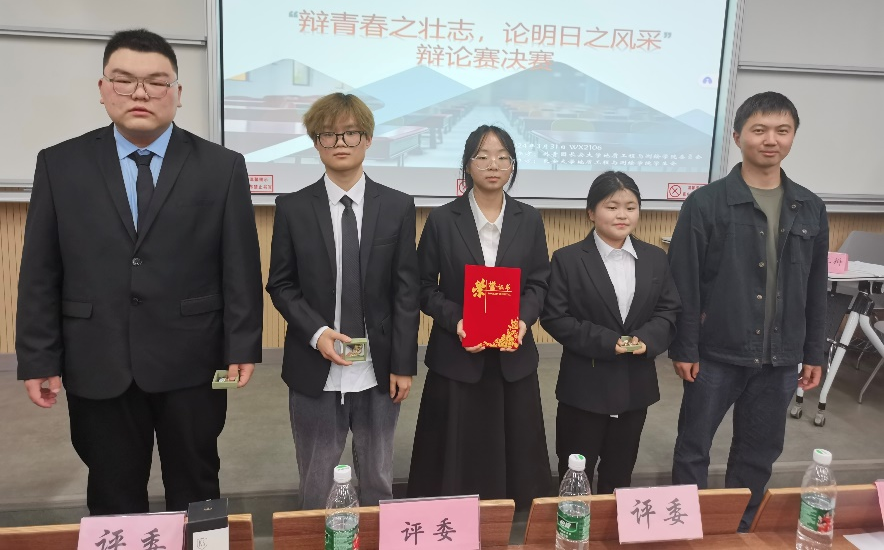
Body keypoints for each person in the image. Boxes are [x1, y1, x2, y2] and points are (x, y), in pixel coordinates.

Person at [15, 29, 263, 515]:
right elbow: (41, 270)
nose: (140, 93)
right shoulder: (60, 164)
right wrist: (39, 356)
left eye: (156, 82)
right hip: (97, 358)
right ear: (103, 88)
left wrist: (242, 344)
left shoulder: (222, 166)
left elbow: (239, 264)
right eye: (124, 80)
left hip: (194, 358)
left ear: (178, 92)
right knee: (112, 487)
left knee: (198, 480)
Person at [668, 91, 828, 531]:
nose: (770, 140)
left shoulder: (810, 207)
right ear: (738, 137)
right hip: (716, 351)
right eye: (759, 130)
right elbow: (684, 283)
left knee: (759, 453)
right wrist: (685, 347)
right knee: (694, 446)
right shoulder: (706, 203)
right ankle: (687, 529)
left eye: (782, 130)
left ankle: (741, 531)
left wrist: (814, 352)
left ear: (793, 137)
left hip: (781, 356)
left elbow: (816, 288)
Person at [266, 93, 419, 509]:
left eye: (350, 133)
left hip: (379, 368)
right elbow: (281, 284)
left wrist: (404, 363)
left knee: (378, 479)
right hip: (314, 364)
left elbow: (406, 291)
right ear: (316, 143)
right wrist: (317, 333)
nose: (340, 142)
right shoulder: (293, 208)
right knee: (316, 482)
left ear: (367, 138)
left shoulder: (397, 206)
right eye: (328, 134)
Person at [407, 125, 551, 509]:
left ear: (513, 165)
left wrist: (522, 321)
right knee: (454, 449)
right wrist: (458, 321)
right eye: (482, 156)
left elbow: (539, 283)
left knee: (517, 445)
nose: (493, 165)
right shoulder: (442, 219)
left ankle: (511, 514)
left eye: (503, 157)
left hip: (513, 355)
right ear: (467, 164)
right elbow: (424, 286)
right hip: (457, 355)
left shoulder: (529, 219)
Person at [542, 171, 680, 493]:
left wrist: (646, 340)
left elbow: (668, 310)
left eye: (630, 207)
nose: (622, 215)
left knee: (620, 471)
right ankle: (573, 522)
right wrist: (609, 342)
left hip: (635, 386)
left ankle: (612, 524)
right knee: (576, 473)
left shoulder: (655, 258)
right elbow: (555, 317)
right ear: (591, 212)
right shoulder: (568, 259)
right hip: (584, 388)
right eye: (612, 206)